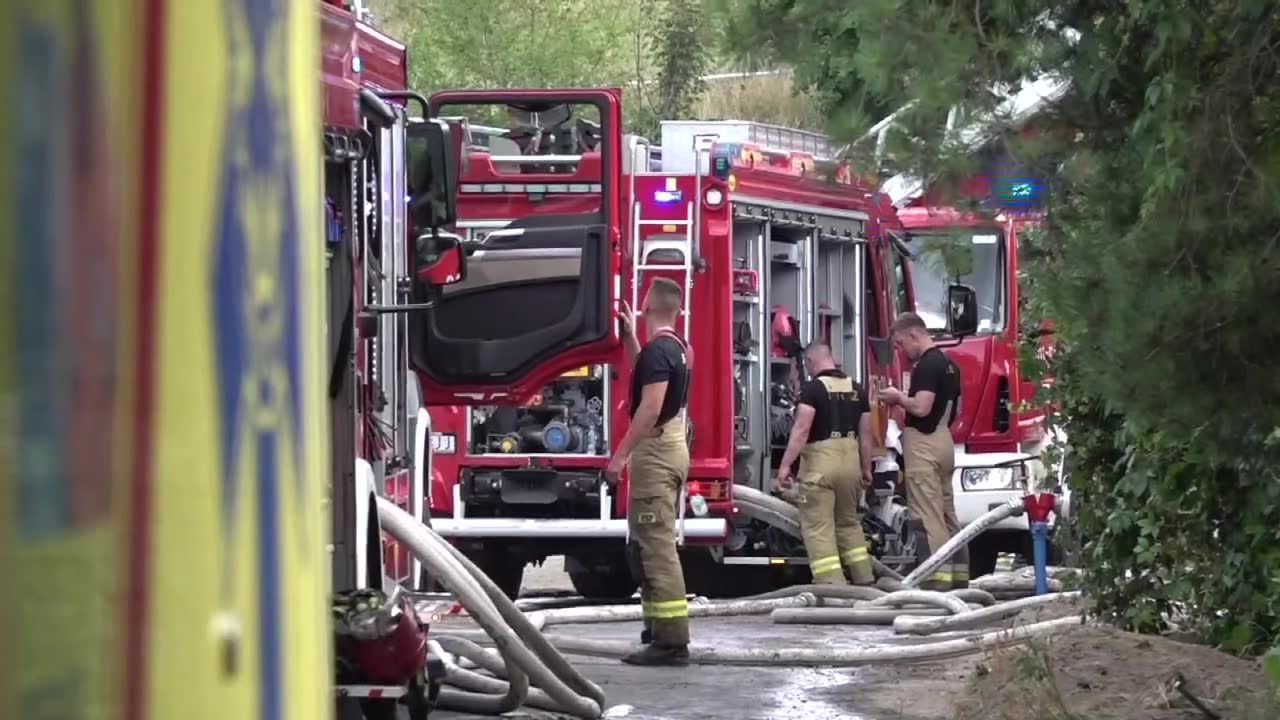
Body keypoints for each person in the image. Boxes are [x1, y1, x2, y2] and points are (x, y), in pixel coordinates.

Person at [605, 277, 692, 666]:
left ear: (650, 307)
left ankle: (671, 641)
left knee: (655, 549)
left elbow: (650, 409)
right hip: (670, 447)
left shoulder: (660, 352)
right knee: (646, 544)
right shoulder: (675, 348)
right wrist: (628, 340)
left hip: (655, 452)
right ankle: (656, 629)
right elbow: (648, 378)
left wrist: (619, 457)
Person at [773, 342, 876, 585]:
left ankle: (833, 587)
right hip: (851, 467)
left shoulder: (812, 390)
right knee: (849, 524)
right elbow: (867, 434)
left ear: (810, 362)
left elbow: (801, 430)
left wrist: (786, 465)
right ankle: (865, 580)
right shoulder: (857, 389)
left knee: (819, 529)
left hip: (821, 468)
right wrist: (866, 468)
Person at [880, 312, 967, 590]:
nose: (901, 351)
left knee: (928, 514)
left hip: (924, 442)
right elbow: (959, 409)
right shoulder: (951, 366)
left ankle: (936, 580)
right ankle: (960, 576)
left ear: (914, 335)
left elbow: (922, 407)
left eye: (901, 343)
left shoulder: (927, 366)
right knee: (947, 513)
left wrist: (898, 398)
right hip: (944, 439)